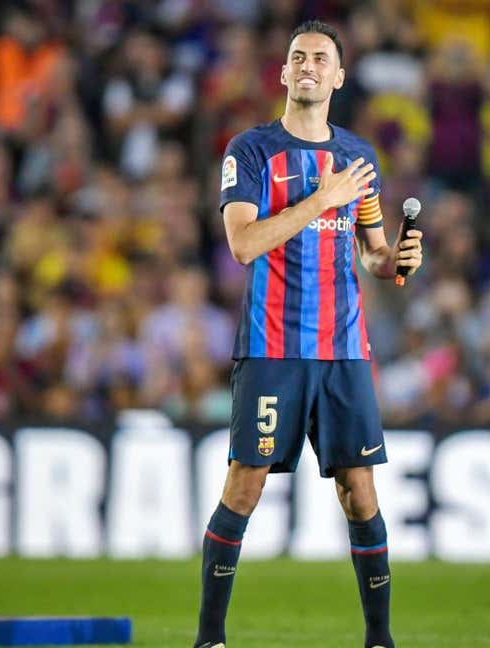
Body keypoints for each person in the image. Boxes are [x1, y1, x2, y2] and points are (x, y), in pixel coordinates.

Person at [194, 20, 423, 648]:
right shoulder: (250, 151)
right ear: (283, 72)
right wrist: (320, 202)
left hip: (343, 350)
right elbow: (243, 245)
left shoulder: (359, 159)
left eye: (321, 58)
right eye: (298, 56)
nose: (308, 66)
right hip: (271, 347)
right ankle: (209, 638)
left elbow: (373, 255)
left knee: (360, 491)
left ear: (339, 76)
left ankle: (380, 640)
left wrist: (398, 259)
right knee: (245, 484)